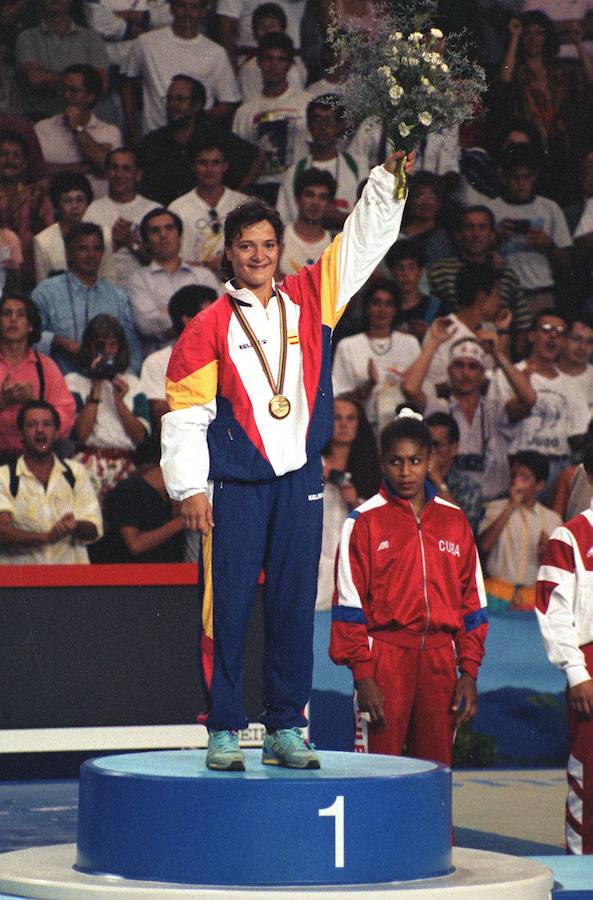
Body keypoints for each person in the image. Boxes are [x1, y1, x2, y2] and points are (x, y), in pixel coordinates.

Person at [161, 149, 414, 771]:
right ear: (228, 253)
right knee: (227, 609)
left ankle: (286, 727)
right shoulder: (207, 326)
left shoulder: (311, 296)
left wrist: (388, 182)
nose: (258, 255)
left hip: (300, 478)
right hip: (236, 485)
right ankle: (223, 728)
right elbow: (185, 414)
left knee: (295, 605)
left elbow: (361, 243)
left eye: (268, 245)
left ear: (280, 250)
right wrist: (190, 488)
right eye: (246, 246)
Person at [329, 410, 488, 764]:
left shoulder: (455, 521)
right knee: (376, 770)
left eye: (415, 461)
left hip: (440, 663)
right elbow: (349, 607)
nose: (405, 472)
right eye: (396, 461)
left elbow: (473, 604)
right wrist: (364, 676)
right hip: (385, 660)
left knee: (435, 770)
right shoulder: (363, 522)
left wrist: (469, 672)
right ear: (382, 463)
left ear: (430, 461)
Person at [536, 442, 593, 853]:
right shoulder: (570, 536)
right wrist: (576, 672)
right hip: (589, 666)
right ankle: (580, 870)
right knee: (588, 779)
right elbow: (553, 610)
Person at [410, 335, 536, 502]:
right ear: (449, 371)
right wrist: (433, 341)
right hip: (446, 499)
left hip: (493, 503)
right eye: (459, 365)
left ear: (483, 373)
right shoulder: (439, 407)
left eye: (473, 366)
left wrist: (497, 355)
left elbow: (529, 399)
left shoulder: (495, 409)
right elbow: (410, 389)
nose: (465, 373)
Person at [491, 309, 591, 496]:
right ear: (531, 335)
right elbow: (507, 415)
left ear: (564, 341)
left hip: (559, 467)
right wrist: (525, 392)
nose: (553, 336)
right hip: (520, 466)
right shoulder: (510, 374)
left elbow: (578, 436)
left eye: (560, 332)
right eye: (546, 329)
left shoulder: (572, 385)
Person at [121, 0, 240, 143]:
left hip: (197, 142)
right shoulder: (146, 43)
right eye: (181, 5)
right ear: (171, 8)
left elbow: (228, 103)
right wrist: (131, 128)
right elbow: (127, 81)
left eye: (194, 7)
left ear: (203, 11)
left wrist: (194, 117)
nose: (187, 12)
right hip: (153, 140)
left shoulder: (216, 52)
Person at [32, 222, 143, 375]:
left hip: (108, 382)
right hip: (60, 381)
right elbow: (28, 337)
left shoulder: (117, 296)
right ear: (68, 254)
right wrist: (59, 342)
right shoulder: (46, 292)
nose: (91, 255)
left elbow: (133, 347)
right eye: (82, 248)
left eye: (97, 249)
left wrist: (126, 378)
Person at [0, 399, 102, 564]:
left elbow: (93, 530)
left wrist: (74, 526)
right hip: (21, 578)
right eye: (32, 425)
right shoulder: (4, 476)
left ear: (56, 433)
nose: (40, 430)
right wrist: (46, 537)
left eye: (47, 424)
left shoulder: (76, 473)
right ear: (21, 433)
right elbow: (1, 532)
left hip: (69, 576)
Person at [138, 75, 263, 206]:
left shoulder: (216, 136)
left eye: (180, 99)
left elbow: (257, 157)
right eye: (169, 99)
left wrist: (238, 193)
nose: (173, 104)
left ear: (197, 105)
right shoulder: (153, 142)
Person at [427, 205, 531, 357]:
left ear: (492, 235)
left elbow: (522, 324)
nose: (476, 234)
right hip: (448, 347)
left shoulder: (506, 274)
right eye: (469, 227)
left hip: (496, 350)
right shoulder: (440, 271)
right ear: (459, 234)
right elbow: (430, 313)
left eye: (482, 227)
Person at [66, 313, 150, 499]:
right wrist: (96, 385)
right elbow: (80, 434)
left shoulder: (133, 383)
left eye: (112, 345)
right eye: (100, 345)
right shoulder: (73, 382)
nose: (106, 351)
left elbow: (140, 438)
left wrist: (119, 402)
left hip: (125, 463)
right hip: (87, 461)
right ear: (89, 347)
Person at [400, 262, 504, 405]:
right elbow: (434, 389)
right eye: (497, 294)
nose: (500, 301)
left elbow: (501, 383)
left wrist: (503, 334)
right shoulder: (443, 332)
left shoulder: (491, 330)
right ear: (482, 296)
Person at [316, 394, 382, 610]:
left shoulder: (372, 471)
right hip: (312, 562)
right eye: (336, 418)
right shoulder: (310, 463)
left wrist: (355, 503)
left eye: (350, 418)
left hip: (352, 568)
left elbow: (382, 527)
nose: (343, 424)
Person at [332, 278, 420, 436]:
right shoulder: (348, 346)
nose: (382, 309)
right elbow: (339, 399)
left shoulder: (410, 344)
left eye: (388, 304)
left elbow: (420, 395)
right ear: (367, 307)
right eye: (376, 303)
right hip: (362, 432)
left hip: (404, 431)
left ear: (396, 309)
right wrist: (368, 386)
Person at [127, 208, 221, 356]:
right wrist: (196, 315)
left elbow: (218, 317)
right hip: (163, 363)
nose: (163, 235)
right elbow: (146, 325)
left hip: (207, 358)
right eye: (155, 231)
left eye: (169, 228)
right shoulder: (139, 280)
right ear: (146, 242)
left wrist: (166, 312)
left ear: (180, 236)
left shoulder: (203, 275)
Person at [231, 32, 311, 204]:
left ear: (290, 64)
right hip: (261, 192)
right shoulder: (244, 112)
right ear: (258, 62)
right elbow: (240, 162)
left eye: (280, 59)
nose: (273, 65)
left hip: (298, 189)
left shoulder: (306, 104)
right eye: (268, 58)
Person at [480, 450, 561, 611]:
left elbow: (555, 570)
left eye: (524, 477)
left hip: (532, 598)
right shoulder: (495, 509)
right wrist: (511, 505)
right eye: (513, 476)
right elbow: (483, 546)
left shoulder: (552, 519)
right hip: (495, 593)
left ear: (540, 485)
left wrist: (545, 553)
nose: (516, 482)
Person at [0, 292, 75, 464]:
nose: (13, 319)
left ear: (30, 326)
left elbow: (66, 419)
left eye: (21, 314)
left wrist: (34, 404)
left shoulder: (46, 366)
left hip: (35, 456)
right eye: (6, 314)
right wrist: (3, 401)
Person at [33, 64, 121, 201]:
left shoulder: (110, 132)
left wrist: (77, 128)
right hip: (54, 208)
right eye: (63, 89)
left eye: (73, 91)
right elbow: (35, 170)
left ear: (90, 96)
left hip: (96, 208)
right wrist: (81, 168)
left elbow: (106, 167)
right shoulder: (42, 128)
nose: (66, 96)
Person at [275, 95, 361, 230]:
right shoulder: (294, 173)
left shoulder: (357, 167)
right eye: (317, 121)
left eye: (328, 121)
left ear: (339, 126)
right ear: (309, 126)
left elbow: (370, 219)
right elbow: (283, 222)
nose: (322, 128)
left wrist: (340, 218)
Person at [141, 283, 218, 432]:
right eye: (211, 315)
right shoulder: (157, 361)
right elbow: (162, 420)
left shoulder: (228, 355)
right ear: (188, 320)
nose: (218, 321)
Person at [15, 0, 109, 121]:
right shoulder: (27, 37)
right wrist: (80, 84)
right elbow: (35, 78)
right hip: (39, 119)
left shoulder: (91, 37)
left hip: (83, 120)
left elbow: (101, 84)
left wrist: (51, 78)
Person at [168, 137, 249, 274]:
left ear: (224, 167)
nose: (209, 169)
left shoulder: (244, 204)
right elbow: (171, 257)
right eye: (202, 163)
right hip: (192, 281)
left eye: (215, 163)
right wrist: (205, 265)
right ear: (193, 167)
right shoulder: (177, 208)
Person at [99, 436, 186, 563]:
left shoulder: (173, 497)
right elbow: (135, 545)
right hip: (130, 572)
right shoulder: (128, 491)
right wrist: (181, 522)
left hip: (170, 571)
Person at [83, 147, 155, 288]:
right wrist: (114, 242)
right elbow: (85, 261)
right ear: (106, 173)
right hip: (104, 288)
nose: (119, 174)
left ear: (138, 175)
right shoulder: (93, 210)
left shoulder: (152, 209)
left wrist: (131, 242)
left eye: (126, 169)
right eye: (113, 168)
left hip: (145, 289)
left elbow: (160, 260)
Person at [33, 171, 115, 282]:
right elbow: (43, 285)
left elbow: (109, 278)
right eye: (67, 200)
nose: (74, 206)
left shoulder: (104, 234)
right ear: (57, 204)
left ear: (87, 202)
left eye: (80, 200)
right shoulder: (43, 241)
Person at [0, 130, 53, 289]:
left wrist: (35, 214)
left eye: (16, 156)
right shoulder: (24, 196)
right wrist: (13, 204)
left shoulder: (36, 197)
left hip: (30, 281)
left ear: (24, 163)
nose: (10, 160)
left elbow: (49, 243)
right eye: (4, 154)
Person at [425, 410, 484, 534]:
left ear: (454, 449)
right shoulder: (412, 480)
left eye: (436, 444)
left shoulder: (469, 487)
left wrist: (438, 482)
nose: (430, 451)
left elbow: (465, 531)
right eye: (426, 444)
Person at [238, 2, 307, 100]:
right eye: (262, 27)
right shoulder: (250, 67)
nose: (267, 31)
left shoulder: (296, 61)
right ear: (254, 33)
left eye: (272, 26)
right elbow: (250, 103)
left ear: (283, 31)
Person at [277, 167, 334, 277]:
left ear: (329, 203)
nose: (315, 203)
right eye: (309, 195)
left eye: (323, 197)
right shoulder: (280, 237)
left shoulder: (334, 244)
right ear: (297, 200)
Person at [384, 242, 443, 344]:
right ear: (392, 272)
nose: (405, 274)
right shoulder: (381, 306)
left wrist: (428, 334)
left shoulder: (436, 308)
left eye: (411, 267)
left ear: (420, 271)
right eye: (400, 268)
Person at [557, 318, 593, 417]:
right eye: (576, 339)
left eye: (590, 342)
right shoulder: (542, 376)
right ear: (563, 340)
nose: (582, 347)